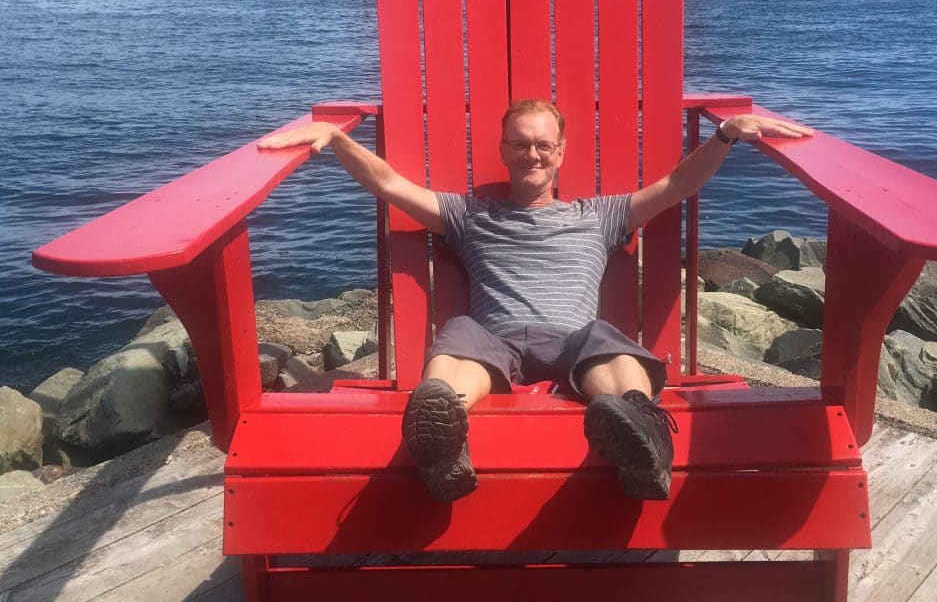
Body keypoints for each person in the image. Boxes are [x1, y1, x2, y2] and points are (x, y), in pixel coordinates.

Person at [258, 99, 812, 502]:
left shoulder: (600, 215)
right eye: (520, 143)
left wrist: (727, 135)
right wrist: (334, 137)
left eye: (543, 145)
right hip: (493, 342)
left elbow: (676, 186)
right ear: (502, 150)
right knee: (457, 339)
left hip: (575, 342)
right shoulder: (467, 214)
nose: (532, 154)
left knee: (607, 342)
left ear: (561, 153)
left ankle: (640, 436)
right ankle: (444, 439)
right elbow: (389, 183)